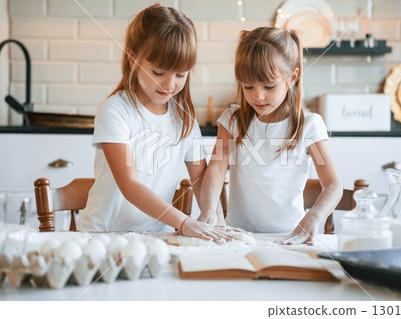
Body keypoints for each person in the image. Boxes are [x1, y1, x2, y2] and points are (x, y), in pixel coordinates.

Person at [79, 4, 229, 242]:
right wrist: (184, 221)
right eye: (158, 72)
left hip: (156, 238)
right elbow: (128, 185)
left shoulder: (185, 119)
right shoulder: (116, 110)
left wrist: (213, 217)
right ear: (132, 58)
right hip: (103, 236)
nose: (169, 85)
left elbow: (200, 180)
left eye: (180, 75)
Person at [198, 27, 343, 244]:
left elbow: (333, 185)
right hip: (238, 235)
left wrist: (314, 217)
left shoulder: (309, 126)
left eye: (269, 86)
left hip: (290, 235)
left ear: (292, 77)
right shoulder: (232, 121)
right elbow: (216, 168)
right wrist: (209, 210)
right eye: (248, 87)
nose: (258, 96)